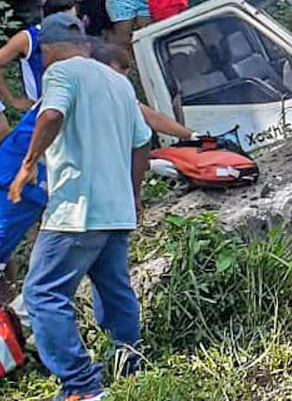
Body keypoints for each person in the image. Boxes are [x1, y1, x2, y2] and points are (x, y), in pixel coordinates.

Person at [8, 13, 151, 401]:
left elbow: (51, 114)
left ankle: (82, 386)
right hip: (115, 209)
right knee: (114, 289)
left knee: (42, 294)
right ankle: (129, 367)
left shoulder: (60, 73)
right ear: (85, 44)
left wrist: (26, 167)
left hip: (77, 209)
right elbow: (143, 143)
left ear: (49, 49)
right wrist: (134, 194)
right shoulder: (119, 83)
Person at [0, 39, 194, 306]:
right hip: (19, 178)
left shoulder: (87, 90)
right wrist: (193, 137)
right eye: (117, 76)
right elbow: (148, 122)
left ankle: (13, 315)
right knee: (36, 281)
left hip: (35, 182)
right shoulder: (87, 90)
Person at [0, 0, 77, 140]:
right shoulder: (28, 38)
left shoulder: (77, 36)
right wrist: (13, 100)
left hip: (73, 109)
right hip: (40, 113)